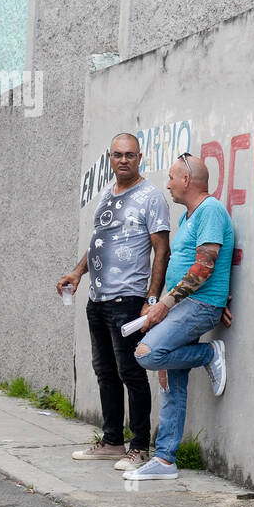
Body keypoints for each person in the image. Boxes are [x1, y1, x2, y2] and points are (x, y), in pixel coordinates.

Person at [58, 133, 170, 471]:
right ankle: (111, 441)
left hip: (128, 299)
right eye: (118, 155)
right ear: (110, 157)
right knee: (105, 371)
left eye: (130, 155)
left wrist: (151, 300)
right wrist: (78, 274)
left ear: (140, 158)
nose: (124, 160)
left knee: (132, 372)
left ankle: (138, 447)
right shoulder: (106, 194)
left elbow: (161, 251)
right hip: (98, 299)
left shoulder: (152, 197)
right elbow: (98, 243)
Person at [125, 152, 233, 481]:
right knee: (169, 378)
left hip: (198, 306)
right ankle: (165, 459)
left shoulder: (211, 211)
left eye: (172, 177)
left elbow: (204, 267)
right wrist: (164, 310)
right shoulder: (188, 217)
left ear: (187, 181)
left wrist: (163, 306)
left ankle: (208, 353)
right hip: (183, 307)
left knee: (148, 353)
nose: (168, 184)